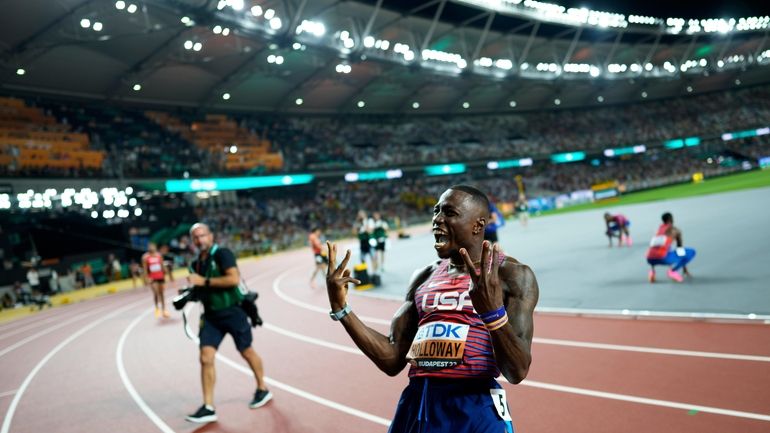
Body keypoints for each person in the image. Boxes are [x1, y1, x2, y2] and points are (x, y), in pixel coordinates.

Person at [325, 185, 539, 433]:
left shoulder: (512, 275)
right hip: (418, 404)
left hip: (473, 409)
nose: (437, 219)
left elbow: (517, 370)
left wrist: (493, 315)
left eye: (449, 212)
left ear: (478, 225)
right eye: (436, 211)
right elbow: (393, 358)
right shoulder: (424, 277)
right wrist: (342, 309)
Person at [185, 223, 272, 423]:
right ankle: (208, 406)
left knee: (246, 351)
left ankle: (262, 388)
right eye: (195, 237)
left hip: (233, 312)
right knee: (206, 358)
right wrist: (188, 295)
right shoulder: (197, 263)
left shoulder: (223, 254)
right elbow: (200, 286)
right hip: (211, 317)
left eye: (202, 235)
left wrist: (203, 282)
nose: (200, 240)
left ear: (211, 236)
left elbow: (233, 279)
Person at [646, 212, 696, 283]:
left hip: (649, 259)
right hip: (663, 259)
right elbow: (680, 250)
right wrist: (684, 268)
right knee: (691, 252)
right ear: (671, 219)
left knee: (662, 250)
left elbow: (654, 247)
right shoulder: (675, 230)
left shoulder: (657, 229)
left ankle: (652, 273)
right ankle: (673, 271)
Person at [142, 243, 169, 318]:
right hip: (152, 277)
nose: (151, 248)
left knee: (162, 293)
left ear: (155, 247)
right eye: (150, 246)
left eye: (153, 246)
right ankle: (157, 308)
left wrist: (165, 271)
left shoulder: (158, 255)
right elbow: (145, 269)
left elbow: (162, 265)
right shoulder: (145, 257)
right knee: (156, 293)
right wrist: (146, 278)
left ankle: (164, 309)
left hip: (160, 276)